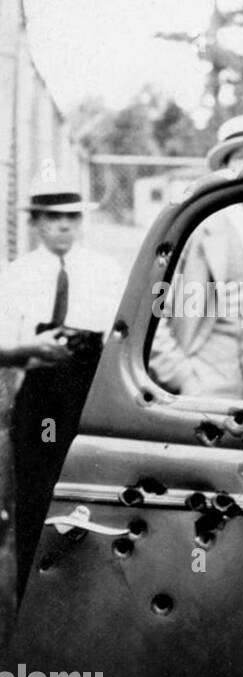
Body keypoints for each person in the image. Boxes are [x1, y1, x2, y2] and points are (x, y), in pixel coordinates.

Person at [0, 171, 124, 597]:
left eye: (71, 216)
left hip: (90, 398)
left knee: (90, 497)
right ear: (35, 221)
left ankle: (87, 601)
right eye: (53, 217)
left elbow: (121, 337)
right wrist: (26, 347)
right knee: (35, 500)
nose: (64, 225)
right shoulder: (16, 275)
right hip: (38, 400)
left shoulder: (106, 271)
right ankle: (31, 603)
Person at [149, 113, 243, 401]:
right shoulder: (195, 229)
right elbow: (152, 312)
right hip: (200, 386)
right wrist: (183, 377)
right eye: (241, 157)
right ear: (225, 169)